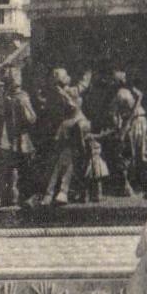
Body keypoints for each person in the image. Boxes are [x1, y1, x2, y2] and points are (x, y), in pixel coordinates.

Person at [42, 67, 93, 206]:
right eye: (66, 75)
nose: (69, 76)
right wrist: (89, 71)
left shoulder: (54, 94)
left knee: (61, 160)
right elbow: (83, 86)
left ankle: (51, 192)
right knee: (69, 159)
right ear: (63, 80)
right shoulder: (69, 92)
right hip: (75, 125)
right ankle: (61, 192)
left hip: (65, 127)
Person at [104, 70, 147, 196]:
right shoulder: (122, 94)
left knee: (138, 152)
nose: (125, 79)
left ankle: (138, 184)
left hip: (138, 122)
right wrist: (120, 126)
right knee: (134, 153)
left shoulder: (131, 91)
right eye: (123, 78)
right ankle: (130, 185)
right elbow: (114, 113)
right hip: (134, 123)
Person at [0, 64, 37, 206]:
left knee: (13, 168)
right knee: (27, 167)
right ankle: (26, 196)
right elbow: (31, 118)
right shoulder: (22, 98)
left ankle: (12, 196)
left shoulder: (6, 97)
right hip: (23, 137)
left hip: (10, 138)